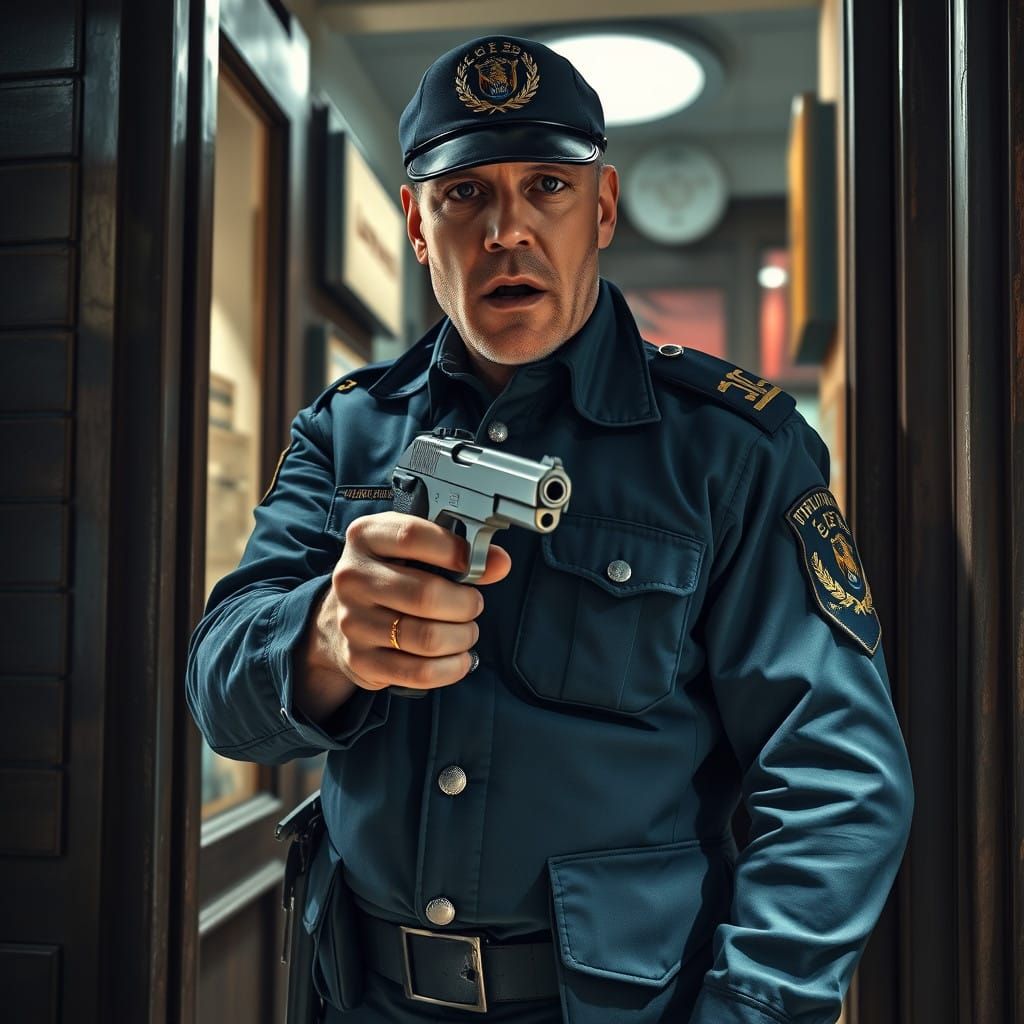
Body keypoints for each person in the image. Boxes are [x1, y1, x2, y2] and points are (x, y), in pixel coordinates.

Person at [186, 34, 914, 1024]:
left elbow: (835, 776)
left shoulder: (730, 450)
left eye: (547, 188)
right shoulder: (345, 430)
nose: (507, 230)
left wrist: (749, 1010)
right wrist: (322, 640)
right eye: (464, 194)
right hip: (358, 993)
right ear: (416, 223)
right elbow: (218, 694)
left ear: (602, 207)